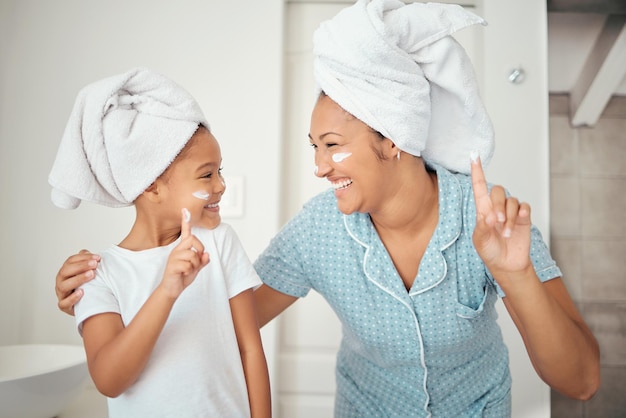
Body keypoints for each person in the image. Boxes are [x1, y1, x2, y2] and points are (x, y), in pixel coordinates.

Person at [55, 1, 600, 417]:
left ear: (393, 140)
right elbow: (219, 318)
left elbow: (581, 382)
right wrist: (107, 302)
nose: (318, 166)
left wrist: (517, 275)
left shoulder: (487, 220)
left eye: (332, 144)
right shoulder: (320, 230)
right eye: (312, 146)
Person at [48, 68, 271, 418]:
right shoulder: (97, 275)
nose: (221, 185)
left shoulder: (219, 242)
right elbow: (109, 380)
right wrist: (167, 290)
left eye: (220, 171)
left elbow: (250, 350)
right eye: (206, 174)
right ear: (152, 186)